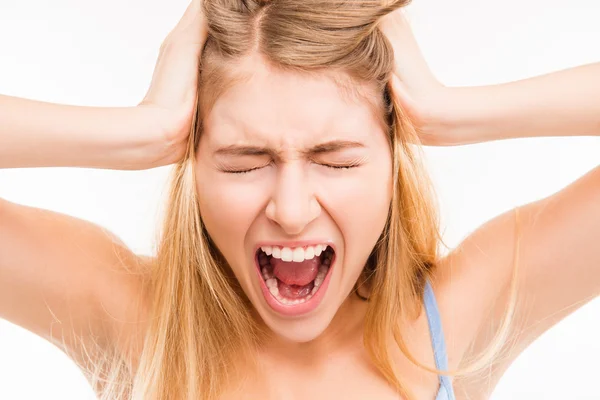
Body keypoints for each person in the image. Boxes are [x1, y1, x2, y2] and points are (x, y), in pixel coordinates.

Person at [0, 0, 598, 399]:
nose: (290, 210)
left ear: (393, 158)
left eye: (336, 161)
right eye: (245, 163)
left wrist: (454, 112)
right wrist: (144, 130)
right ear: (193, 159)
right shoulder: (128, 319)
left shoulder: (456, 319)